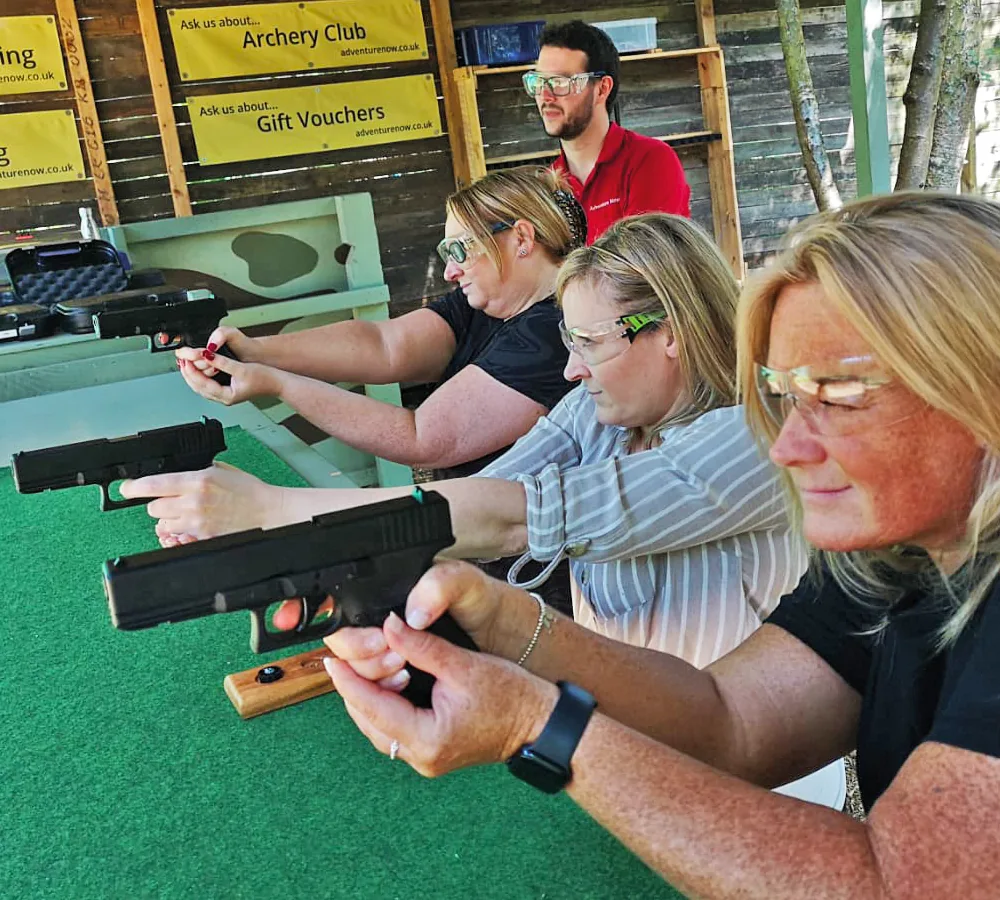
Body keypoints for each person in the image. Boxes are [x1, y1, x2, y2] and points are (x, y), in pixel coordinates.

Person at [321, 192, 1000, 897]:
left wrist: (538, 723)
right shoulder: (895, 554)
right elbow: (731, 721)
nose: (790, 445)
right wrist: (500, 619)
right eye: (786, 393)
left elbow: (900, 887)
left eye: (838, 393)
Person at [123, 214, 804, 668]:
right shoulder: (602, 413)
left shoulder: (753, 439)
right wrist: (321, 562)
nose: (570, 370)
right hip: (641, 737)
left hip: (754, 781)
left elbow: (512, 517)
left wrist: (272, 514)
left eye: (589, 344)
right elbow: (460, 501)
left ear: (671, 331)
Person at [173, 166, 587, 479]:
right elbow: (383, 346)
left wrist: (274, 383)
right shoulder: (489, 303)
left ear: (521, 239)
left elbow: (421, 438)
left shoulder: (553, 330)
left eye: (460, 250)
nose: (450, 271)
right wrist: (252, 350)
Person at [525, 20, 691, 243]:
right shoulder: (547, 186)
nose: (545, 96)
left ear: (602, 89)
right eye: (538, 81)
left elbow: (644, 267)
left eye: (560, 82)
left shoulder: (650, 160)